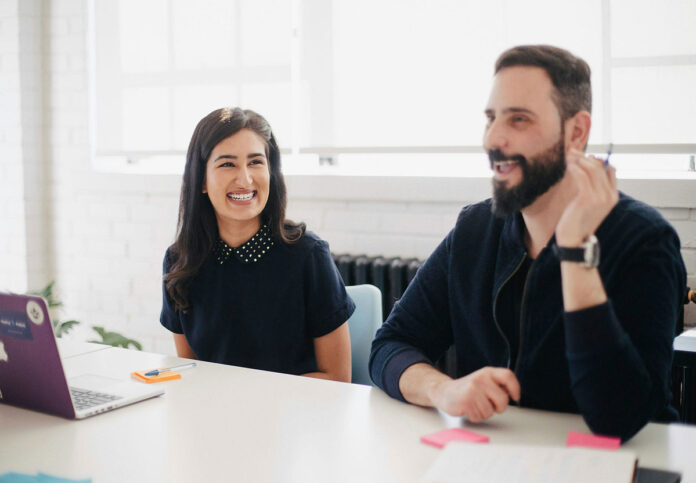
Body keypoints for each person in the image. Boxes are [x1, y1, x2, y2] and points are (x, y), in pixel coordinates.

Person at [369, 45, 686, 441]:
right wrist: (444, 389)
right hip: (495, 456)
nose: (494, 139)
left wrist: (575, 252)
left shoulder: (645, 241)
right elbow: (390, 345)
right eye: (491, 118)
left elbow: (618, 418)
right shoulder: (475, 229)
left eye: (519, 119)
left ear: (576, 132)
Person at [161, 107, 354, 382]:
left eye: (255, 162)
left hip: (297, 417)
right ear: (202, 180)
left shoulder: (308, 255)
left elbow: (337, 378)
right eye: (227, 164)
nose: (245, 179)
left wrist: (249, 401)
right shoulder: (180, 260)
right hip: (215, 415)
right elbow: (192, 372)